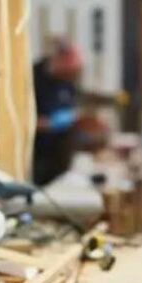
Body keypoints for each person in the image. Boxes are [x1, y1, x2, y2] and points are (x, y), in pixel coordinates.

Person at [31, 38, 82, 186]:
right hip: (34, 150)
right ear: (58, 59)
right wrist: (39, 124)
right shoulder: (33, 76)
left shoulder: (67, 82)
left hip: (56, 152)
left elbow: (71, 107)